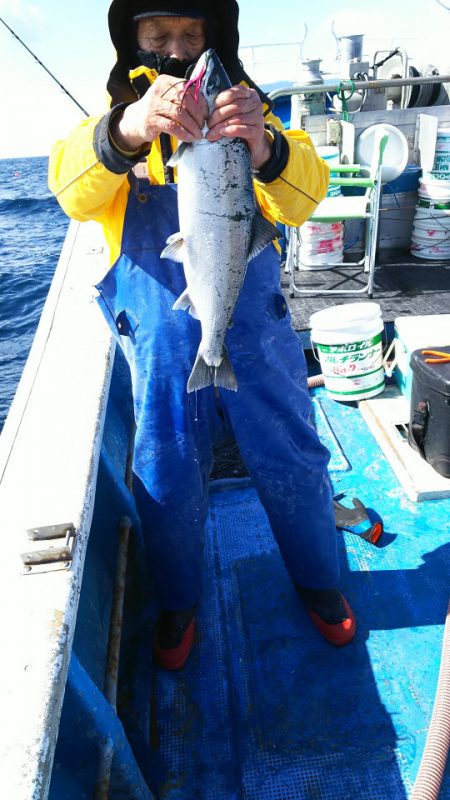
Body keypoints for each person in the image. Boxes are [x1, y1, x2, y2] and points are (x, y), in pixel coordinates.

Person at [49, 0, 356, 671]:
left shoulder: (253, 116)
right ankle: (179, 600)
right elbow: (70, 190)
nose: (177, 49)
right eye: (158, 35)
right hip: (161, 339)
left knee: (292, 455)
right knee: (166, 466)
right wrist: (125, 131)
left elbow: (303, 199)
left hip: (257, 327)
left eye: (192, 35)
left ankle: (318, 580)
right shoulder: (108, 125)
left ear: (215, 40)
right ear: (131, 41)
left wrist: (267, 147)